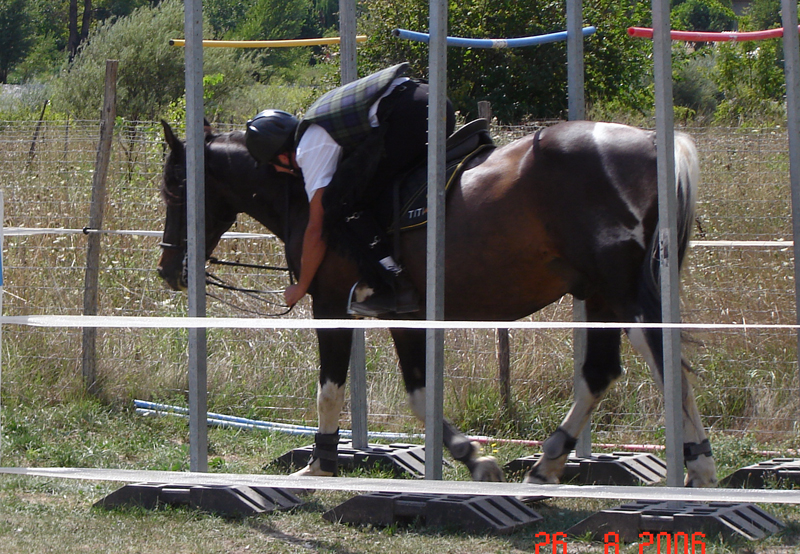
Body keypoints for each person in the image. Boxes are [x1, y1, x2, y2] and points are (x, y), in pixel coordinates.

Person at [245, 63, 456, 316]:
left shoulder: (309, 148)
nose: (278, 172)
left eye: (274, 166)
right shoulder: (315, 126)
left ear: (282, 157)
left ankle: (395, 282)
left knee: (341, 203)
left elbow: (317, 227)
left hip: (411, 114)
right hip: (434, 101)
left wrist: (302, 286)